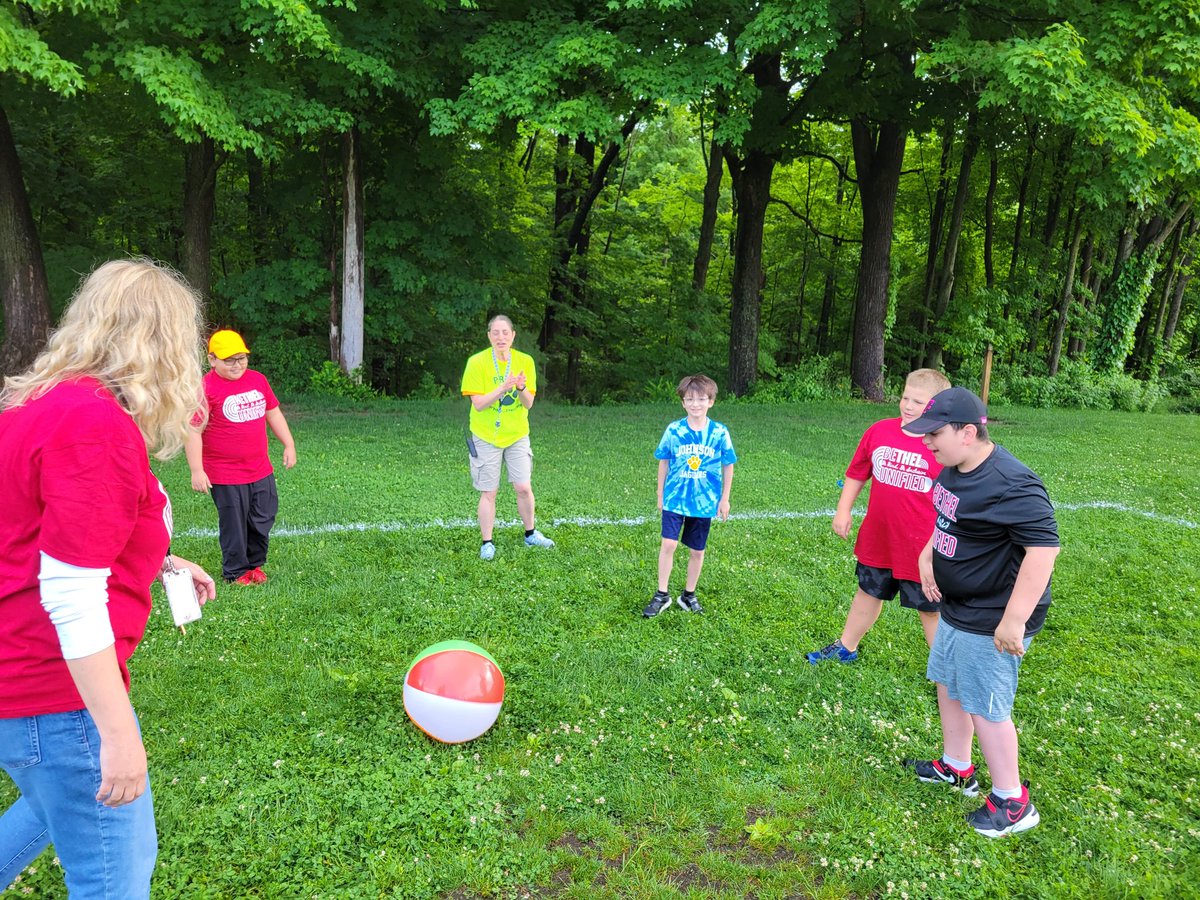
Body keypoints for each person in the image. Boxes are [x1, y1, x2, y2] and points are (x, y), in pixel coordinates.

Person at [0, 258, 217, 898]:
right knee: (113, 877)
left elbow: (40, 534)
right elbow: (71, 591)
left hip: (21, 681)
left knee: (48, 804)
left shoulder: (40, 403)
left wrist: (165, 561)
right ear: (163, 344)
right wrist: (118, 735)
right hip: (55, 693)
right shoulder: (92, 425)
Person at [901, 387, 1060, 838]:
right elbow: (947, 519)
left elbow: (1043, 550)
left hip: (994, 613)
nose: (926, 441)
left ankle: (1013, 802)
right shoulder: (953, 467)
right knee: (948, 683)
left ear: (968, 432)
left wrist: (1013, 619)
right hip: (958, 605)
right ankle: (957, 768)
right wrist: (928, 554)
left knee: (986, 704)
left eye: (935, 433)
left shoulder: (1012, 482)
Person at [807, 368, 951, 664]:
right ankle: (846, 647)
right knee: (867, 592)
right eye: (905, 397)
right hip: (880, 536)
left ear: (936, 406)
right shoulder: (880, 431)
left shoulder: (941, 443)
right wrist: (843, 509)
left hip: (922, 545)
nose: (908, 406)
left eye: (918, 402)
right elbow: (857, 471)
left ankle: (947, 672)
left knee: (930, 609)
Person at [185, 330, 297, 584]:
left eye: (241, 358)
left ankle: (255, 564)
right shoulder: (206, 388)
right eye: (229, 360)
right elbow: (192, 429)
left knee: (263, 516)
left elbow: (274, 413)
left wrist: (288, 444)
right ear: (212, 360)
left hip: (260, 469)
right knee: (234, 523)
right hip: (225, 474)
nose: (237, 365)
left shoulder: (257, 380)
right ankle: (236, 571)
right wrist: (196, 470)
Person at [460, 314, 553, 560]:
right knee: (488, 491)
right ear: (489, 336)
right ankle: (487, 542)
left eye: (505, 332)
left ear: (513, 336)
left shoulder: (525, 361)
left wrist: (520, 388)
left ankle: (531, 534)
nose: (501, 337)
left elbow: (529, 403)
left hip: (517, 435)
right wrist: (503, 387)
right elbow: (478, 404)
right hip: (485, 435)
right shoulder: (477, 362)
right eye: (495, 332)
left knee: (523, 486)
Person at [642, 374, 736, 617]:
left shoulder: (719, 433)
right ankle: (662, 594)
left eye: (701, 399)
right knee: (669, 544)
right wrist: (660, 493)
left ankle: (688, 595)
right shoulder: (674, 430)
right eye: (690, 399)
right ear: (683, 402)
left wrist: (724, 498)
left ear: (711, 401)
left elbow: (728, 464)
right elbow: (663, 461)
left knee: (697, 551)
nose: (696, 404)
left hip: (704, 502)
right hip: (675, 497)